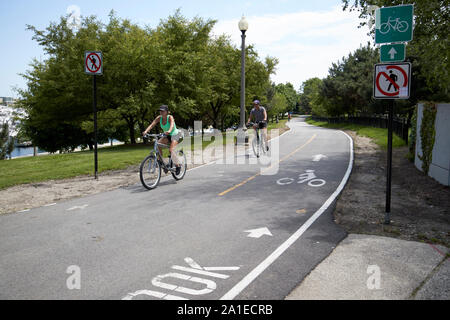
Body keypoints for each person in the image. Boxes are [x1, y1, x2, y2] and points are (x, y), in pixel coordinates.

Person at [142, 105, 183, 175]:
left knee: (171, 150)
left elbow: (172, 125)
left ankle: (178, 165)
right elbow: (152, 125)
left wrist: (169, 130)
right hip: (166, 135)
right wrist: (146, 131)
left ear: (167, 112)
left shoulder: (170, 117)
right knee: (158, 144)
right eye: (160, 111)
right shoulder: (159, 118)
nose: (161, 112)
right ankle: (161, 162)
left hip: (175, 134)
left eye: (163, 111)